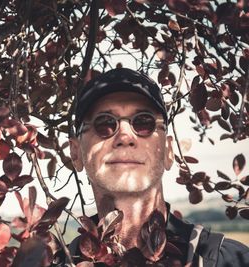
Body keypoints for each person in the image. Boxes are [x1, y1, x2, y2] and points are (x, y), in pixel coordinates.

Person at [54, 68, 249, 266]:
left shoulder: (232, 261)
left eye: (143, 122)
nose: (124, 137)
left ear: (168, 152)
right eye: (104, 123)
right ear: (76, 153)